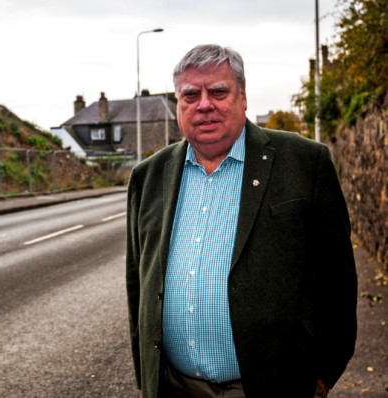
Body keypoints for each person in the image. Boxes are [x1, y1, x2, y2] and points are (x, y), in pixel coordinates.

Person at [126, 44, 357, 398]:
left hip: (274, 386)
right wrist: (146, 377)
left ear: (243, 96)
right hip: (174, 386)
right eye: (190, 94)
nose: (204, 104)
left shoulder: (304, 163)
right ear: (178, 104)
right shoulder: (148, 177)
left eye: (218, 91)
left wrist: (323, 376)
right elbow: (138, 284)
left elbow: (337, 280)